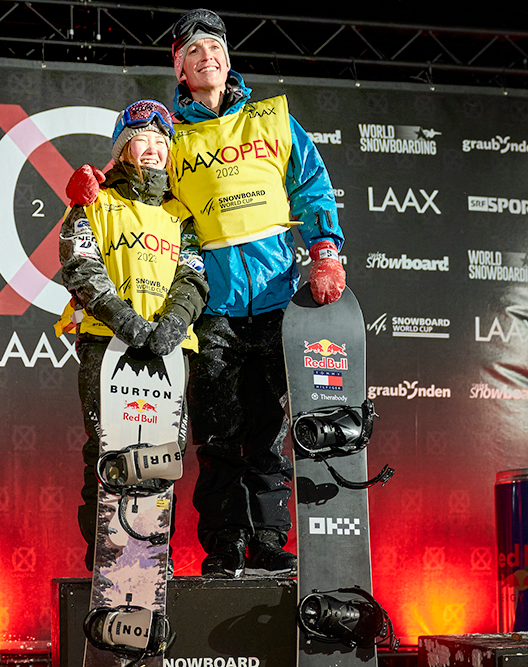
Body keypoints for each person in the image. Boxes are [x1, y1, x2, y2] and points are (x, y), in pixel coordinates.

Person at [67, 9, 346, 579]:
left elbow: (312, 182)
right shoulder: (169, 130)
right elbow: (130, 176)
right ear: (178, 63)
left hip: (274, 299)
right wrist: (86, 184)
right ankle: (223, 545)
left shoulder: (271, 119)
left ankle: (269, 540)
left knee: (269, 430)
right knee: (218, 436)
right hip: (210, 309)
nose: (206, 58)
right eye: (193, 51)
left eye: (214, 48)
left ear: (227, 56)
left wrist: (325, 251)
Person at [56, 99, 209, 573]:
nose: (153, 149)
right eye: (142, 139)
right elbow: (80, 266)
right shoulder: (93, 203)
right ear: (122, 149)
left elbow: (194, 277)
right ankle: (106, 561)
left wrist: (171, 324)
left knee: (162, 461)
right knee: (109, 453)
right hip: (108, 345)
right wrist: (128, 322)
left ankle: (152, 562)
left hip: (171, 350)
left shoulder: (182, 214)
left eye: (162, 141)